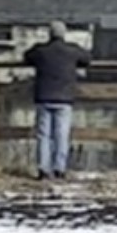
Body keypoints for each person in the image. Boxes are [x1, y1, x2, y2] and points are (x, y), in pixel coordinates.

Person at [23, 20, 92, 180]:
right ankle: (59, 169)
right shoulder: (71, 51)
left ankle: (43, 169)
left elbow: (27, 57)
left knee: (43, 134)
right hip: (65, 98)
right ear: (64, 34)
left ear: (50, 34)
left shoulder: (41, 51)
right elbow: (87, 58)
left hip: (44, 97)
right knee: (62, 134)